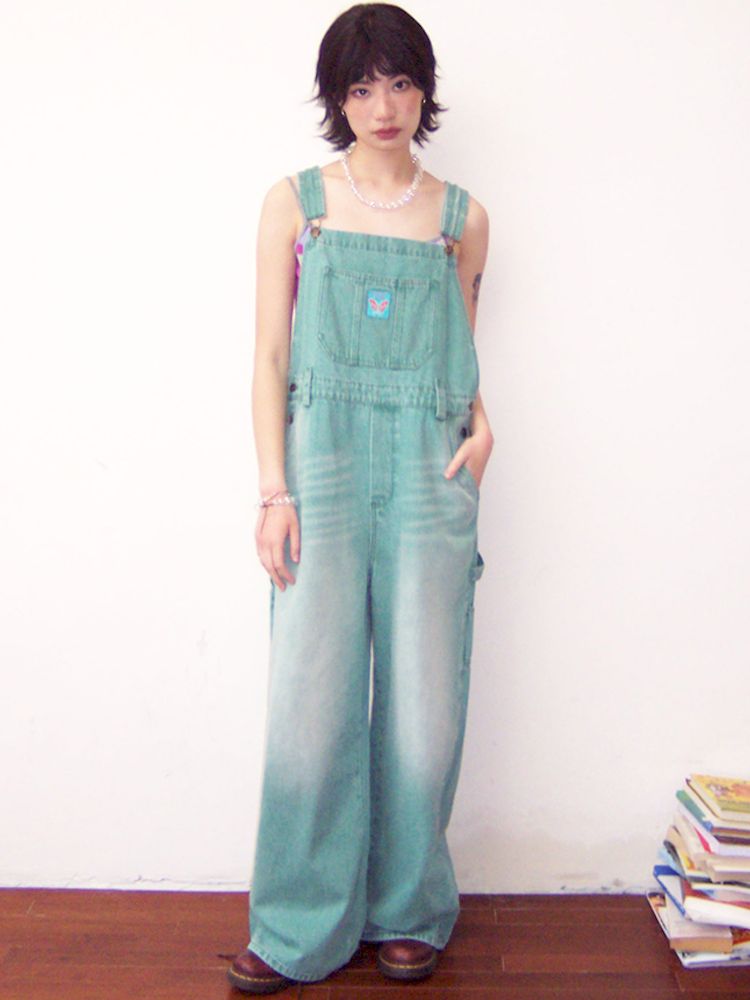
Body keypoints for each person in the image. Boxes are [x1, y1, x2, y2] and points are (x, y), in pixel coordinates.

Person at [228, 3, 494, 993]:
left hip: (431, 467)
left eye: (401, 83)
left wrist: (485, 426)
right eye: (362, 87)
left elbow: (461, 354)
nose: (384, 106)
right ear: (336, 99)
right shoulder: (295, 205)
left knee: (426, 701)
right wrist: (274, 490)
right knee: (311, 696)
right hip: (323, 464)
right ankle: (297, 922)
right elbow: (268, 358)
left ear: (425, 91)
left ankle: (408, 909)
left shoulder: (463, 220)